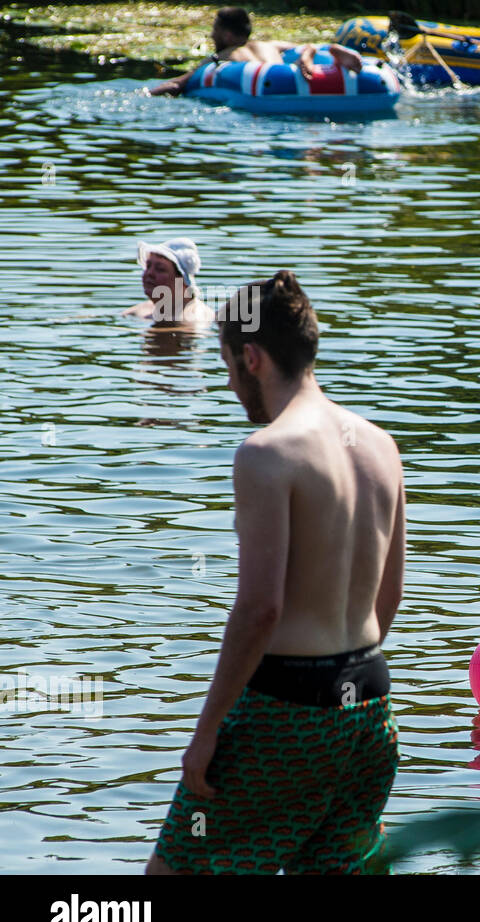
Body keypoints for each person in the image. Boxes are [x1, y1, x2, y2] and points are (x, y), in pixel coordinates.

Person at [145, 270, 407, 875]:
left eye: (229, 365)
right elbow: (387, 597)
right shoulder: (379, 446)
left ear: (253, 357)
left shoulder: (266, 453)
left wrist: (206, 731)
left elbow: (260, 609)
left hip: (283, 717)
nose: (232, 383)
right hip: (369, 713)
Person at [149, 6, 363, 97]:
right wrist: (306, 57)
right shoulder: (270, 45)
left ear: (228, 36)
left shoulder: (221, 57)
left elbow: (178, 83)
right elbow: (309, 46)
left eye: (215, 30)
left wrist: (147, 93)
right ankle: (336, 51)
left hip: (264, 88)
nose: (211, 36)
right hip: (288, 77)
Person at [123, 237, 214, 329]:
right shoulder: (144, 309)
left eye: (160, 269)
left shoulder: (193, 318)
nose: (149, 273)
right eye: (148, 266)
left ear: (182, 280)